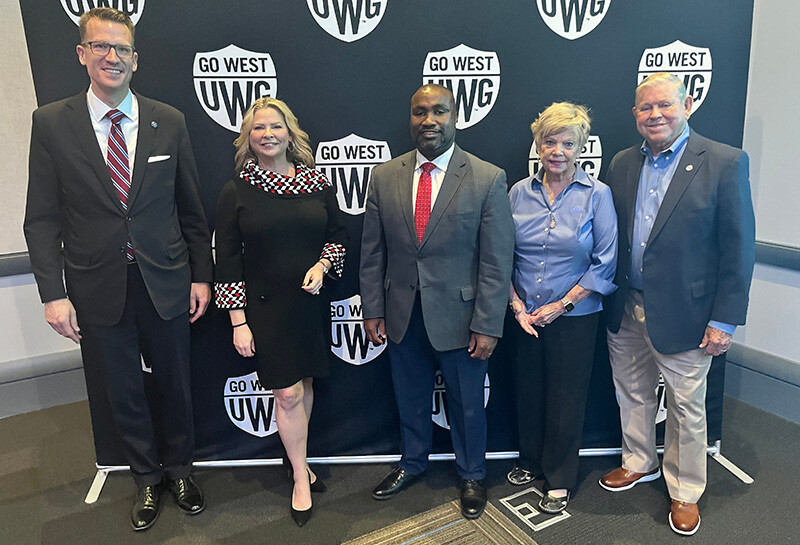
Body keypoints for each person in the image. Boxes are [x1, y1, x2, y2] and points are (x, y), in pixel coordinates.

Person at [23, 7, 212, 531]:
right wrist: (52, 293)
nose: (112, 57)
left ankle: (179, 469)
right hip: (95, 285)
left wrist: (201, 275)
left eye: (122, 49)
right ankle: (146, 479)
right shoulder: (51, 123)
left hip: (167, 280)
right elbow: (40, 218)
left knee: (176, 382)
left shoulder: (167, 119)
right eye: (101, 47)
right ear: (82, 54)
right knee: (123, 389)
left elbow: (191, 209)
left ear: (136, 58)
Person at [599, 72, 756, 536]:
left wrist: (725, 319)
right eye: (645, 108)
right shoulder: (622, 162)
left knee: (686, 406)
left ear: (688, 105)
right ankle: (638, 460)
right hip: (626, 304)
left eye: (665, 105)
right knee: (632, 389)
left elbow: (738, 247)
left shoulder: (725, 162)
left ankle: (686, 490)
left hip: (688, 313)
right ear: (634, 115)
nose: (655, 115)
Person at [360, 84, 515, 520]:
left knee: (467, 405)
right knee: (409, 398)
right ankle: (412, 463)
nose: (429, 120)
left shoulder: (487, 177)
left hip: (463, 320)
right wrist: (372, 308)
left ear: (455, 116)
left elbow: (496, 261)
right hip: (402, 315)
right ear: (410, 118)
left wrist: (488, 324)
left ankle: (472, 474)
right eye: (419, 112)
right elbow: (372, 252)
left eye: (439, 111)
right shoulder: (385, 176)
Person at [214, 97, 347, 527]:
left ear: (290, 133)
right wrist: (239, 321)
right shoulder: (236, 190)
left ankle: (300, 460)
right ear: (247, 138)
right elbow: (228, 260)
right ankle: (299, 478)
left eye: (275, 126)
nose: (267, 134)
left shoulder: (317, 182)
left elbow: (339, 236)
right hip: (265, 310)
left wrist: (323, 265)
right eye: (258, 128)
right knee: (286, 393)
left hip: (308, 305)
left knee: (304, 383)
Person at [507, 102, 617, 513]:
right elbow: (503, 254)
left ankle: (559, 477)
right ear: (538, 144)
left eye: (567, 143)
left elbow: (605, 263)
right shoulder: (518, 192)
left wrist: (561, 306)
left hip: (574, 318)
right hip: (524, 316)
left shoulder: (598, 195)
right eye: (549, 142)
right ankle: (530, 460)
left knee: (566, 399)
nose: (557, 151)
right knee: (529, 392)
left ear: (581, 147)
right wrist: (516, 305)